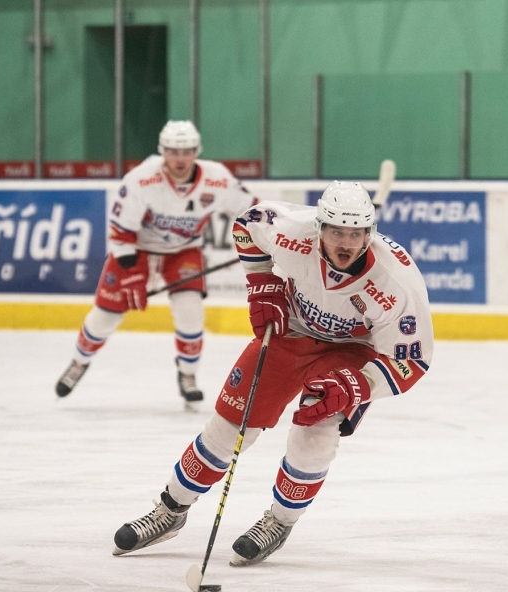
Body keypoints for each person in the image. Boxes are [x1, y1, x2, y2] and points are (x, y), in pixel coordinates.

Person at [111, 180, 434, 566]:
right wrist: (261, 281)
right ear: (319, 228)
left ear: (369, 233)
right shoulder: (292, 231)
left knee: (314, 433)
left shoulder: (397, 282)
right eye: (336, 232)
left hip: (351, 353)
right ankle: (170, 510)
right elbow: (247, 225)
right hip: (290, 334)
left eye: (355, 233)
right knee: (228, 426)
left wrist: (358, 384)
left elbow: (411, 360)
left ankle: (279, 523)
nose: (345, 243)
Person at [54, 120, 258, 404]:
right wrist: (128, 271)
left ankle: (187, 374)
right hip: (136, 250)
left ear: (196, 151)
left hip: (183, 252)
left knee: (190, 312)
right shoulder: (141, 179)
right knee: (103, 318)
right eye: (174, 152)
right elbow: (121, 229)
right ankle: (79, 362)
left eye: (187, 151)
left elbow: (253, 211)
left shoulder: (218, 178)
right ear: (163, 152)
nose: (180, 159)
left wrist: (258, 243)